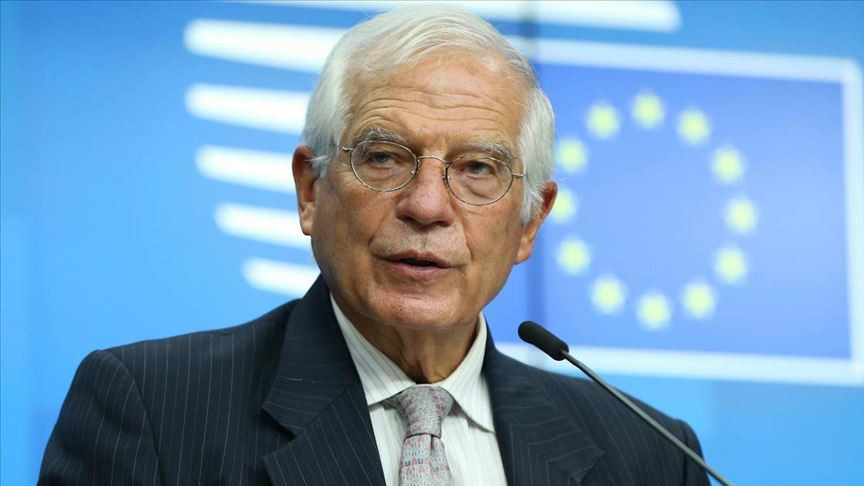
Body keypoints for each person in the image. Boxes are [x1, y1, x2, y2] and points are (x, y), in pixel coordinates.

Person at [40, 5, 709, 485]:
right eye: (385, 157)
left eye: (477, 168)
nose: (427, 206)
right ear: (310, 190)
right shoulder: (155, 410)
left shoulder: (649, 455)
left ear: (530, 222)